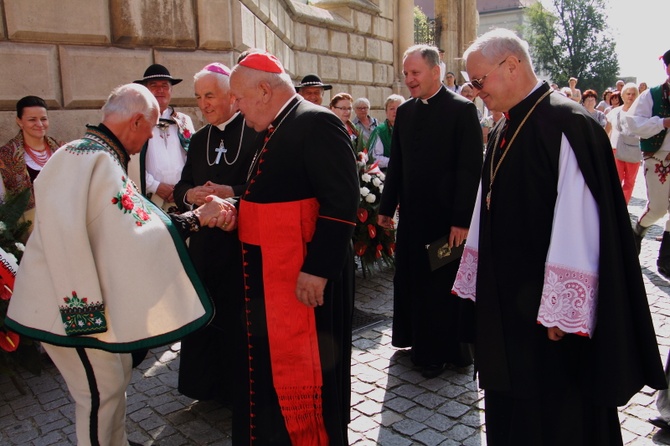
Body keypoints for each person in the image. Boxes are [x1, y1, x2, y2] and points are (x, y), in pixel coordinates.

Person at [453, 28, 665, 446]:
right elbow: (486, 205)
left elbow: (579, 221)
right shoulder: (502, 128)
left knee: (557, 414)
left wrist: (562, 310)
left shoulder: (567, 122)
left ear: (511, 65)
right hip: (508, 307)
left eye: (479, 81)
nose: (475, 92)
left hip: (549, 317)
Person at [5, 83, 237, 446]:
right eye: (150, 128)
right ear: (138, 121)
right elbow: (82, 234)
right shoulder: (84, 157)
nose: (148, 139)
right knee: (99, 394)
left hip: (83, 303)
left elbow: (124, 231)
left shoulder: (96, 155)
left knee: (113, 383)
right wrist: (196, 219)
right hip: (70, 309)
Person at [229, 52, 359, 445]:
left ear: (265, 90)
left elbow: (342, 200)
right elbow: (276, 193)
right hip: (274, 276)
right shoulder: (275, 126)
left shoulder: (316, 122)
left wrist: (318, 269)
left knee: (310, 374)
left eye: (239, 97)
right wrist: (235, 199)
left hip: (303, 278)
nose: (236, 106)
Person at [377, 44, 483, 378]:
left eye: (415, 73)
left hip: (445, 223)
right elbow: (398, 166)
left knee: (439, 284)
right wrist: (386, 207)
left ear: (435, 72)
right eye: (406, 73)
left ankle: (440, 353)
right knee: (411, 279)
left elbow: (470, 169)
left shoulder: (462, 110)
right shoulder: (405, 112)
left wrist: (461, 221)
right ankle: (414, 340)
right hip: (412, 219)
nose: (408, 79)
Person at [173, 62, 263, 403]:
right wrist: (190, 195)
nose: (203, 104)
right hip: (205, 247)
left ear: (231, 95)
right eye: (198, 97)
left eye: (209, 95)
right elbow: (183, 184)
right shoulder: (198, 139)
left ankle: (239, 389)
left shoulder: (255, 131)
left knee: (238, 319)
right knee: (205, 313)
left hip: (241, 244)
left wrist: (231, 191)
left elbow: (264, 185)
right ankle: (204, 386)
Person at [129, 64, 195, 212]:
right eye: (154, 85)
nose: (160, 90)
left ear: (171, 90)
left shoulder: (184, 121)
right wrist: (155, 186)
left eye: (165, 86)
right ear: (145, 91)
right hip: (149, 198)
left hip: (181, 198)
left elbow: (193, 159)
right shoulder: (136, 122)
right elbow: (131, 162)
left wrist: (182, 188)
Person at [627, 49, 670, 275]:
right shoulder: (651, 95)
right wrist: (662, 122)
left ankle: (666, 259)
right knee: (658, 209)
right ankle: (638, 230)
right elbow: (633, 124)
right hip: (658, 158)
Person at [0, 96, 63, 223]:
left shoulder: (63, 149)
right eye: (32, 119)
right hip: (28, 227)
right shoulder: (6, 155)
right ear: (19, 121)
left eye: (43, 119)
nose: (39, 124)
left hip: (64, 219)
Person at [606, 82, 640, 204]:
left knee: (630, 181)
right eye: (628, 93)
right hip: (615, 149)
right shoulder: (614, 112)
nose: (630, 96)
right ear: (622, 95)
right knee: (615, 179)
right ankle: (614, 204)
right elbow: (607, 130)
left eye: (633, 94)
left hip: (633, 150)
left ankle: (623, 205)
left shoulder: (642, 113)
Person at [368, 94, 404, 169]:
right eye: (392, 108)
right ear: (386, 112)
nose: (395, 111)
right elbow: (373, 158)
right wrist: (395, 162)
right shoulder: (380, 131)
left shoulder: (410, 128)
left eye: (399, 108)